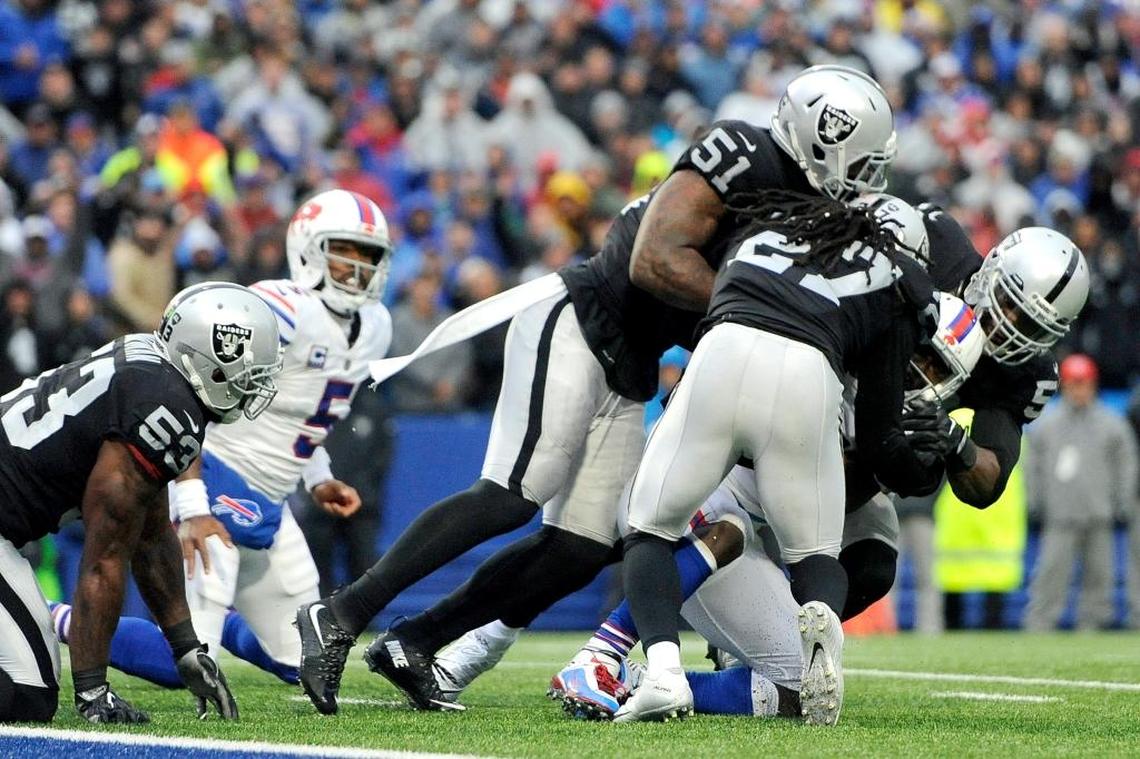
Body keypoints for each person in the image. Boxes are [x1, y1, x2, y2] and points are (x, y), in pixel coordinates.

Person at [294, 64, 899, 716]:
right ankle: (339, 611)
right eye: (861, 161)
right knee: (510, 497)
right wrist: (761, 311)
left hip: (633, 365)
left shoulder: (812, 209)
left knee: (579, 548)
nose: (865, 180)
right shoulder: (743, 153)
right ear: (823, 138)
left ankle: (417, 640)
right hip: (583, 321)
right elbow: (653, 257)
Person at [422, 221, 1089, 715]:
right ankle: (579, 646)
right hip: (747, 451)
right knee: (601, 539)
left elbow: (975, 478)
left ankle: (692, 661)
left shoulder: (1001, 379)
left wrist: (948, 445)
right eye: (1001, 303)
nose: (1002, 328)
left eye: (1022, 324)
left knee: (851, 598)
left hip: (825, 481)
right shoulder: (913, 259)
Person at [552, 291, 988, 723]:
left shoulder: (890, 411)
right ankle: (601, 653)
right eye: (918, 354)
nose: (916, 371)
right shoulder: (822, 359)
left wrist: (916, 461)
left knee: (802, 687)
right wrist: (885, 459)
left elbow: (837, 506)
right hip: (688, 505)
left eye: (935, 368)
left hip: (748, 533)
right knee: (729, 525)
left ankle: (635, 679)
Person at [615, 192, 939, 725]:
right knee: (814, 556)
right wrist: (926, 464)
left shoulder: (765, 236)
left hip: (722, 356)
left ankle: (658, 671)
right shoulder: (887, 284)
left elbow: (703, 309)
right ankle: (816, 626)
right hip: (804, 380)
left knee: (649, 528)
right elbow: (881, 440)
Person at [49, 190, 393, 691]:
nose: (357, 267)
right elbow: (192, 385)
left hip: (272, 498)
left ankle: (218, 623)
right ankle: (46, 614)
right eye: (345, 251)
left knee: (305, 659)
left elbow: (306, 413)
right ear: (309, 249)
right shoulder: (283, 308)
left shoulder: (376, 328)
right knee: (185, 661)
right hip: (211, 470)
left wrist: (318, 478)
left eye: (368, 255)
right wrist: (191, 503)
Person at [0, 281, 282, 723]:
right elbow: (105, 557)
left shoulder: (156, 374)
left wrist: (186, 647)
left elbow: (150, 533)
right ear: (209, 357)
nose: (257, 382)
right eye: (250, 369)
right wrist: (93, 691)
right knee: (24, 696)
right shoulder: (164, 406)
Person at [1023, 354, 1137, 631]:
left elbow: (1126, 465)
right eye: (1073, 383)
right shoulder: (1047, 425)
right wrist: (1035, 502)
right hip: (1059, 513)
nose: (1079, 389)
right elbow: (1032, 467)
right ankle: (1041, 623)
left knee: (1100, 576)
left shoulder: (1112, 424)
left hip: (1099, 511)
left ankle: (1094, 623)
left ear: (1093, 384)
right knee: (1051, 573)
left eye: (1083, 383)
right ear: (1064, 386)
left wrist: (1122, 502)